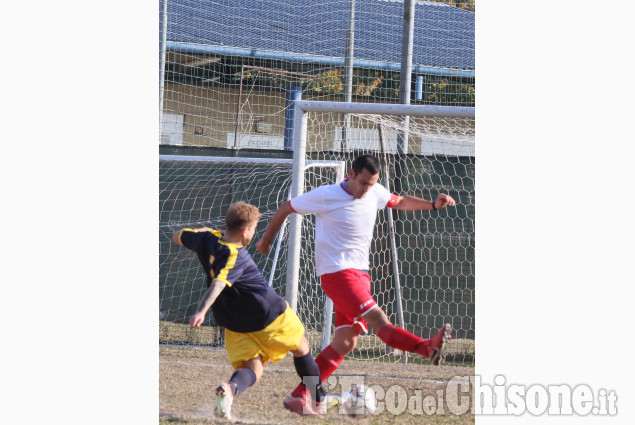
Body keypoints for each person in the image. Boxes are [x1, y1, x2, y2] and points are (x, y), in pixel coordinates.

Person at [256, 154, 455, 412]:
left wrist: (432, 205)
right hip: (338, 274)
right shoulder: (326, 195)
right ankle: (425, 347)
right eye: (362, 182)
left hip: (361, 275)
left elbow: (399, 201)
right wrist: (266, 241)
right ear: (350, 174)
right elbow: (286, 207)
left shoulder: (374, 192)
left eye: (371, 184)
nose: (366, 189)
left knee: (346, 343)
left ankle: (300, 395)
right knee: (378, 318)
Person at [172, 202, 325, 420]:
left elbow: (178, 236)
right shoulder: (236, 256)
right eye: (254, 229)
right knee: (301, 347)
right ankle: (319, 397)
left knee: (254, 368)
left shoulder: (207, 240)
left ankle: (230, 388)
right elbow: (218, 283)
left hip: (235, 322)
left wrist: (201, 234)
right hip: (268, 315)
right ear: (245, 231)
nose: (253, 233)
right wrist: (200, 311)